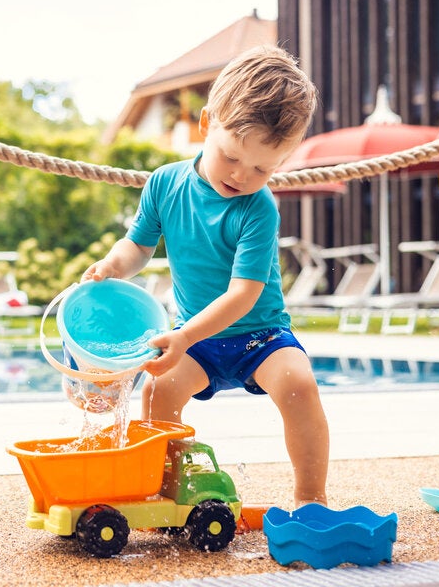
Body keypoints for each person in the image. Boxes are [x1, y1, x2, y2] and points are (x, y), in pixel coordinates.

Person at [83, 45, 329, 508]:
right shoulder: (164, 184)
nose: (241, 175)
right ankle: (173, 488)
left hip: (260, 336)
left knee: (300, 385)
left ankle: (311, 500)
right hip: (196, 341)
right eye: (231, 156)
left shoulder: (259, 208)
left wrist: (183, 335)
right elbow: (138, 246)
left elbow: (242, 296)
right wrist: (114, 265)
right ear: (206, 124)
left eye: (263, 168)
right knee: (158, 389)